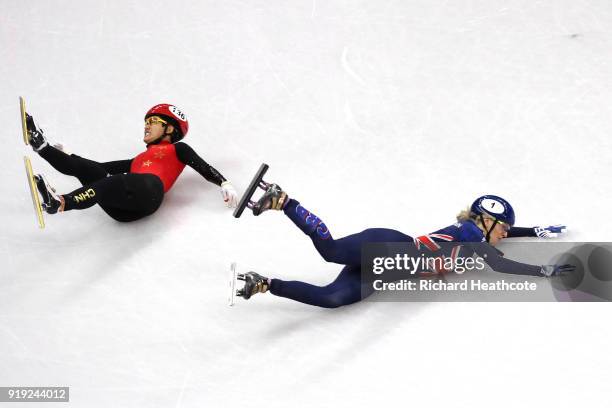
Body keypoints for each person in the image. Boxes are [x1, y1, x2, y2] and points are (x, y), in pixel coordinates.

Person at [235, 185, 570, 308]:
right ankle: (283, 201)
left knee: (331, 299)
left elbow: (496, 239)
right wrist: (542, 270)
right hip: (390, 247)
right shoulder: (471, 234)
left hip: (388, 271)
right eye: (504, 228)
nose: (506, 233)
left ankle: (264, 284)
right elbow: (499, 263)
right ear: (486, 221)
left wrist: (535, 231)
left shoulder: (477, 233)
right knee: (331, 251)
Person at [26, 104, 238, 222]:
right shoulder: (137, 160)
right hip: (123, 211)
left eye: (153, 122)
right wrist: (64, 153)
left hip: (151, 191)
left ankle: (61, 202)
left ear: (170, 129)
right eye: (146, 122)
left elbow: (201, 165)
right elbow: (98, 168)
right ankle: (40, 144)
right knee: (90, 171)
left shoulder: (177, 149)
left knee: (112, 182)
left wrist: (224, 183)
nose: (147, 126)